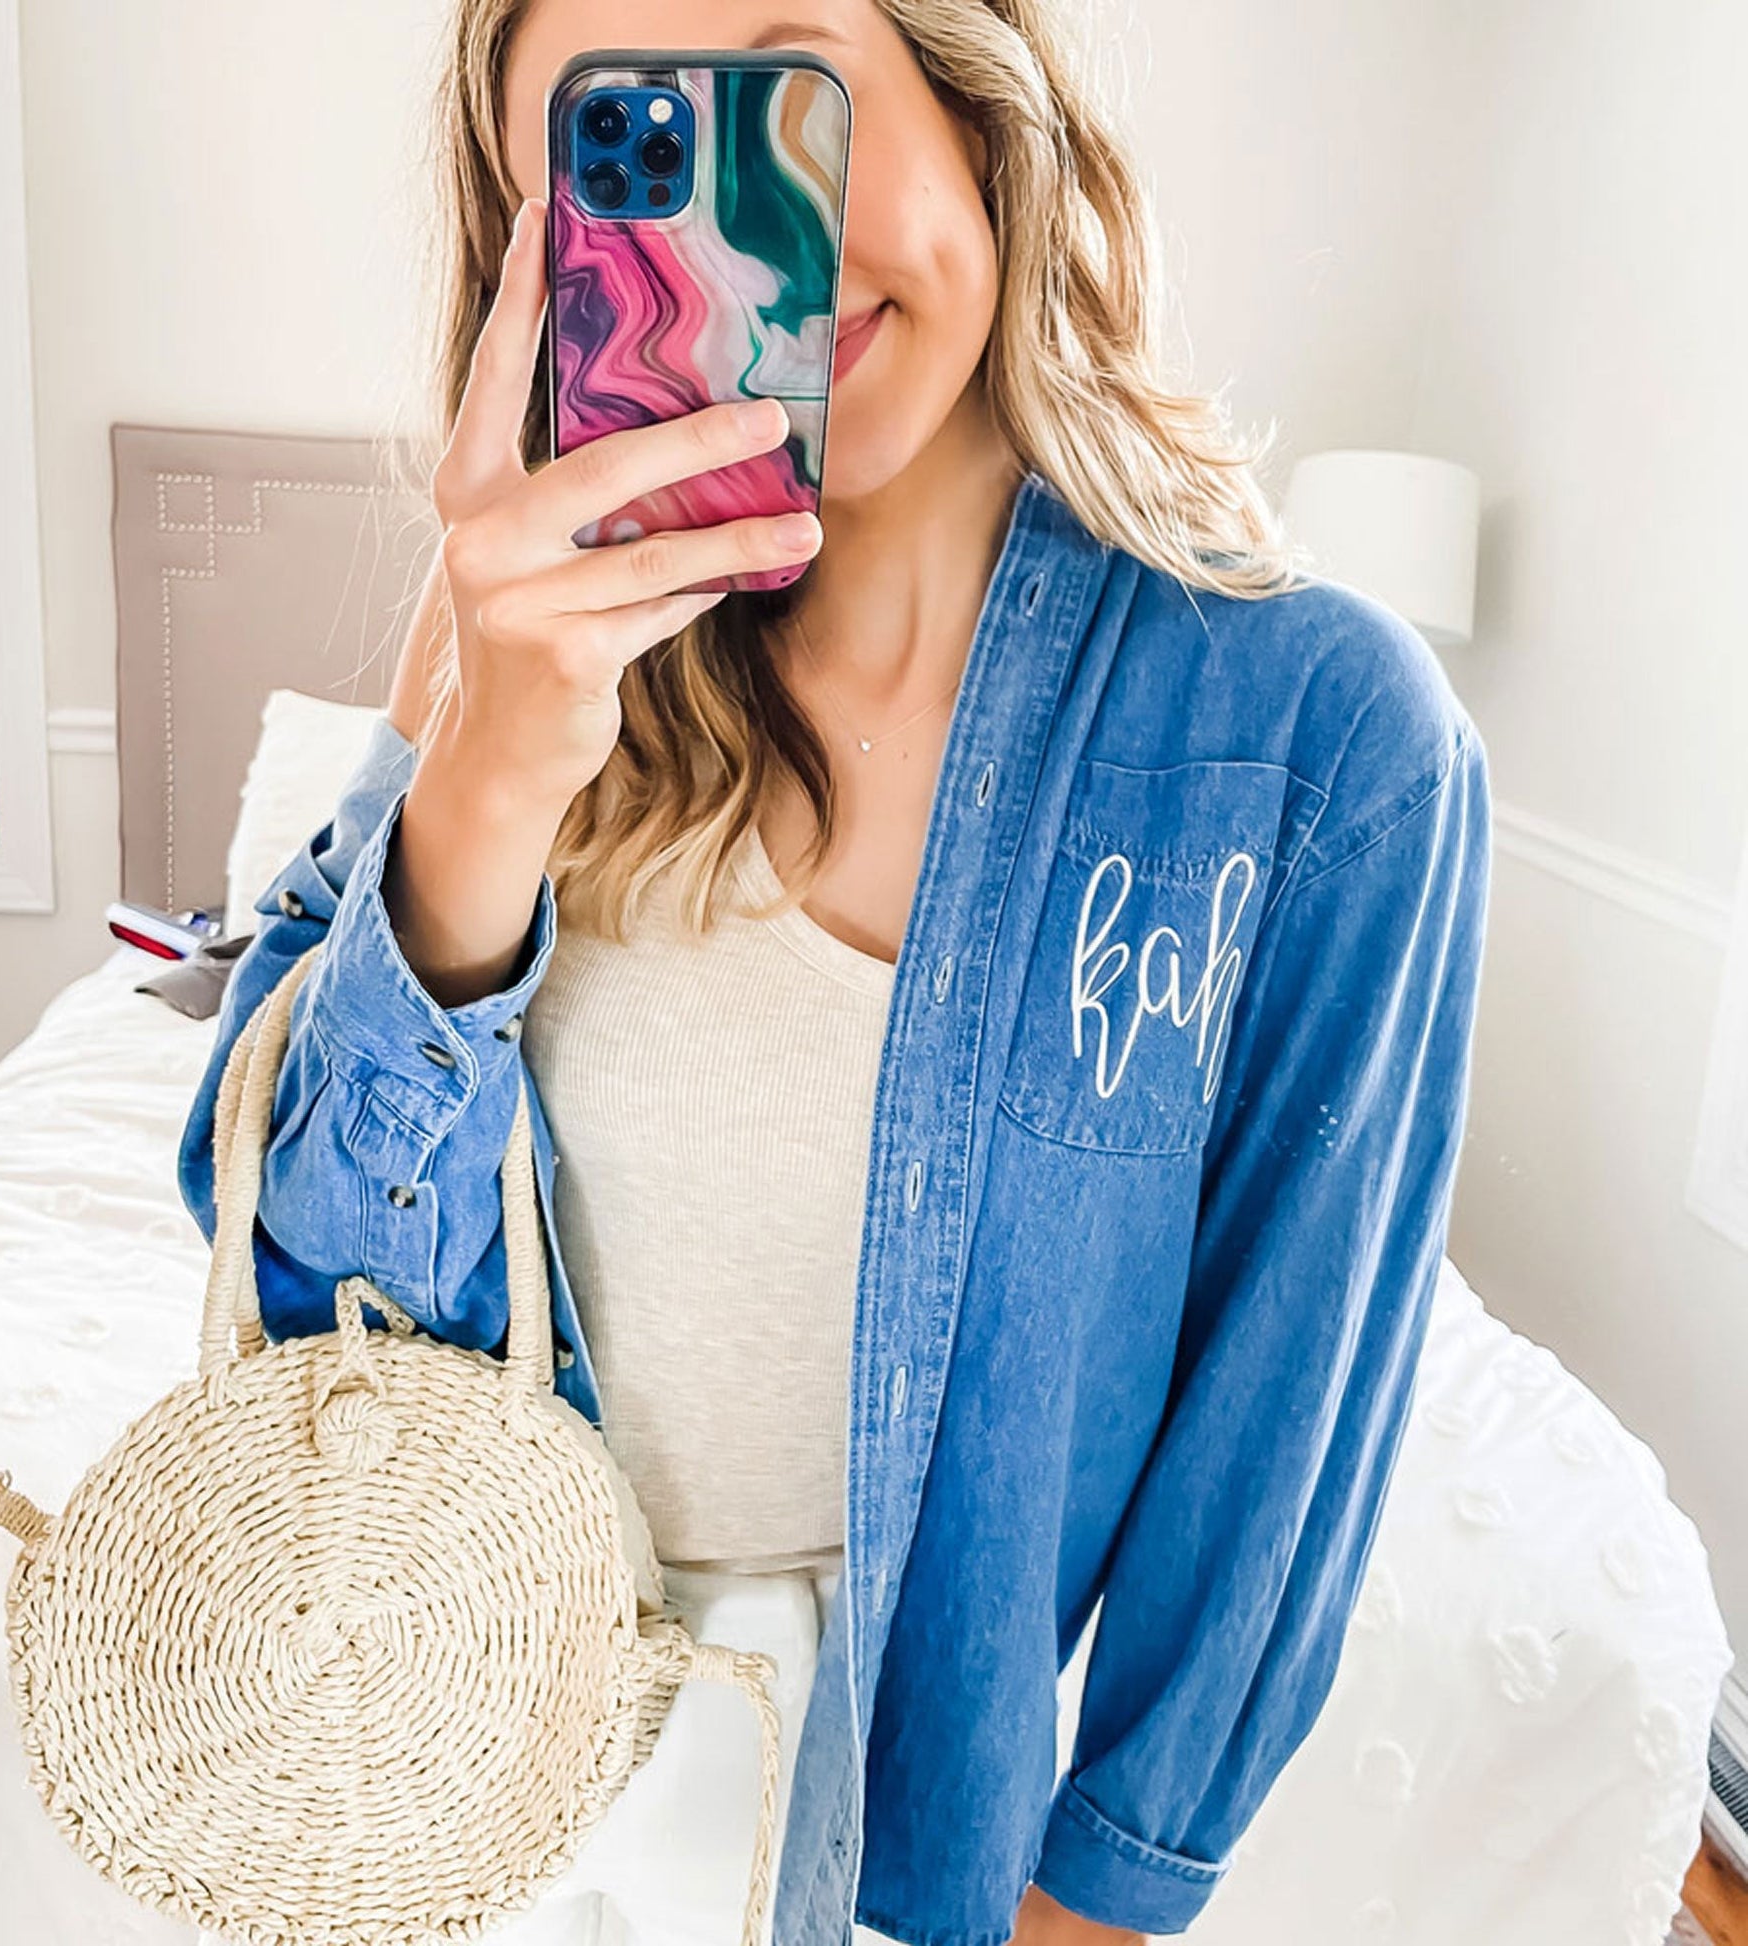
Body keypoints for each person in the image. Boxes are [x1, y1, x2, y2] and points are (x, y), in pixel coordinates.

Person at [179, 0, 1492, 1942]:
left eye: (796, 89)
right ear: (545, 259)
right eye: (640, 148)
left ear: (977, 98)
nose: (754, 238)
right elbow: (294, 1284)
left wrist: (1095, 1900)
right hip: (458, 1767)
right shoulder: (509, 653)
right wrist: (483, 786)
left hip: (897, 1845)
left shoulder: (1314, 740)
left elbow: (1282, 1423)